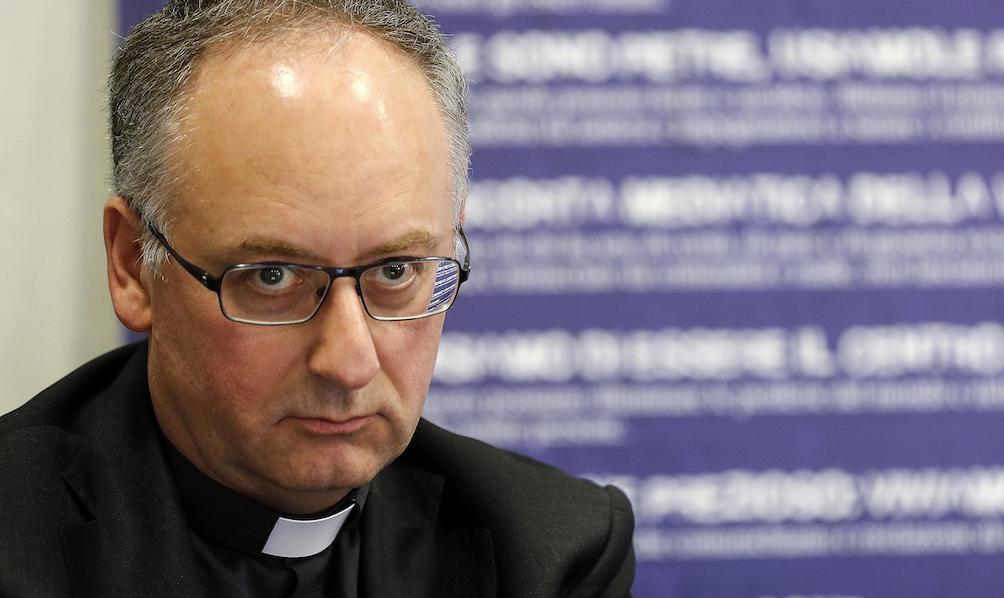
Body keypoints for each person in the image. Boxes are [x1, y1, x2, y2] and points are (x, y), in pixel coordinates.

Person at [0, 1, 634, 596]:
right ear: (133, 265)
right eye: (272, 277)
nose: (349, 363)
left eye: (396, 270)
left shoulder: (549, 553)